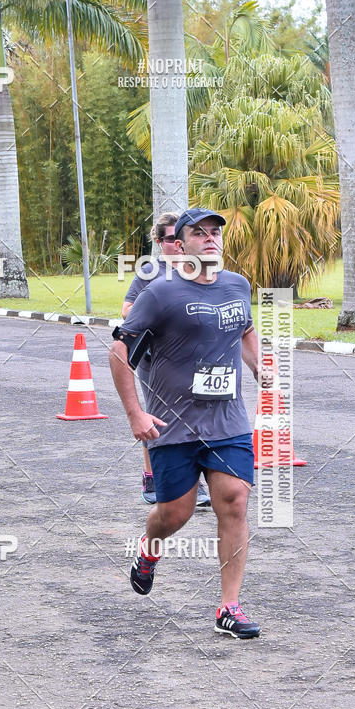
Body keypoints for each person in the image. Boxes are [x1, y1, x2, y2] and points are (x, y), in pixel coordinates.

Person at [110, 208, 272, 639]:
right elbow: (119, 353)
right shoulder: (160, 293)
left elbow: (244, 328)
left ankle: (228, 607)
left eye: (216, 231)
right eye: (199, 233)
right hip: (173, 424)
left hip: (228, 420)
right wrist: (135, 415)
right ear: (179, 245)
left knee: (235, 499)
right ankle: (149, 550)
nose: (211, 238)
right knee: (173, 514)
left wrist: (258, 366)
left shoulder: (238, 285)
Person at [121, 213, 211, 510]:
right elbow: (127, 310)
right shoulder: (151, 269)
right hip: (156, 357)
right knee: (159, 418)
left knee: (196, 417)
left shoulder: (197, 269)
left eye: (180, 237)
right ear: (160, 242)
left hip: (195, 356)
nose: (176, 243)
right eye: (170, 239)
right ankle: (152, 478)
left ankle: (194, 484)